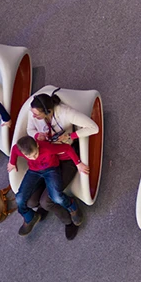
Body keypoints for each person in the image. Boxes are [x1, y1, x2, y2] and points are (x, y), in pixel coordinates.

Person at [23, 90, 99, 240]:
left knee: (47, 201)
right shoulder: (34, 115)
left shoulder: (65, 113)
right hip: (47, 157)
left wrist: (71, 136)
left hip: (65, 158)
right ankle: (45, 205)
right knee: (31, 200)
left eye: (37, 114)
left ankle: (69, 219)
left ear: (48, 111)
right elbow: (29, 129)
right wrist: (38, 136)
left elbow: (93, 128)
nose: (33, 117)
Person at [8, 136, 88, 236]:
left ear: (37, 145)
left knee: (56, 197)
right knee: (19, 198)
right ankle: (29, 217)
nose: (34, 158)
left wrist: (78, 163)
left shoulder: (47, 148)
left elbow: (67, 148)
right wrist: (12, 162)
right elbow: (14, 150)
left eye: (35, 153)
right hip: (34, 171)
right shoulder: (19, 149)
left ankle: (71, 205)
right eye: (30, 157)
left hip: (51, 170)